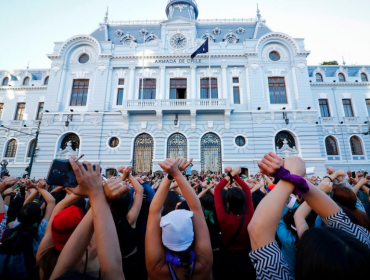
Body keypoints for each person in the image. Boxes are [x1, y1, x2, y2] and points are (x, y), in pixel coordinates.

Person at [248, 152, 370, 280]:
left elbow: (259, 229)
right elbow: (337, 217)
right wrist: (288, 176)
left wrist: (292, 175)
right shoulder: (363, 250)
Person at [50, 157, 124, 280]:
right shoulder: (91, 254)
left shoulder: (43, 255)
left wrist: (97, 194)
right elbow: (113, 269)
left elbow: (58, 205)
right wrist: (97, 194)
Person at [146, 158, 213, 280]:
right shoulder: (204, 265)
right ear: (192, 234)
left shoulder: (156, 269)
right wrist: (177, 173)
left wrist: (171, 176)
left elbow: (154, 211)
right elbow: (196, 208)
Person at [214, 166, 255, 279]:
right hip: (246, 260)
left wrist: (230, 175)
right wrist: (234, 175)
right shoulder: (249, 216)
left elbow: (217, 190)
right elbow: (246, 189)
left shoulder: (224, 218)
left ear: (228, 203)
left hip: (227, 260)